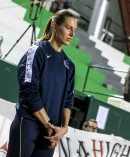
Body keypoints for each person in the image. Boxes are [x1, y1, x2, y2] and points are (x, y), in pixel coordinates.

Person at [6, 9, 77, 157]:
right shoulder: (37, 51)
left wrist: (64, 128)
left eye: (74, 30)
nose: (72, 34)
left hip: (51, 133)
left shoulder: (69, 65)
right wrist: (47, 124)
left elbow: (68, 101)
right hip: (29, 124)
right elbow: (28, 91)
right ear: (55, 26)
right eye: (68, 28)